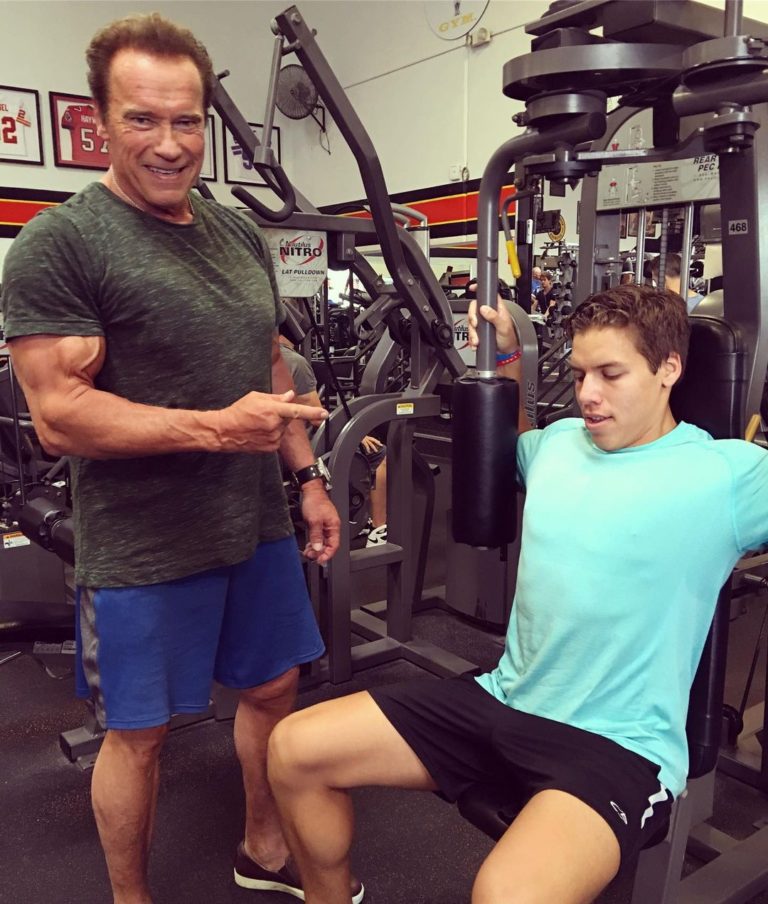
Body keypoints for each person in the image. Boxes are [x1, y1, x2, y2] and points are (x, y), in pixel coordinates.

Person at [0, 14, 364, 904]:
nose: (169, 144)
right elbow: (58, 415)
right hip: (144, 543)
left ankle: (263, 844)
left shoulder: (235, 231)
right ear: (101, 122)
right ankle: (132, 898)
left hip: (254, 523)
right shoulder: (60, 244)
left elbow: (268, 364)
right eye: (142, 120)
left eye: (187, 121)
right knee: (141, 733)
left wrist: (306, 474)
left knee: (275, 689)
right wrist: (214, 428)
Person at [265, 284, 768, 904]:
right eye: (580, 373)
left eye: (611, 374)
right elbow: (518, 439)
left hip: (616, 745)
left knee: (507, 894)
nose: (587, 394)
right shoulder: (558, 444)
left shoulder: (728, 473)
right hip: (504, 699)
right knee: (293, 751)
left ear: (669, 369)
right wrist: (504, 358)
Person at [278, 336, 388, 547]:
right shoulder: (294, 362)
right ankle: (379, 528)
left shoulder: (251, 356)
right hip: (294, 453)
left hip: (268, 449)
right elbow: (318, 418)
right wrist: (357, 433)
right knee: (378, 454)